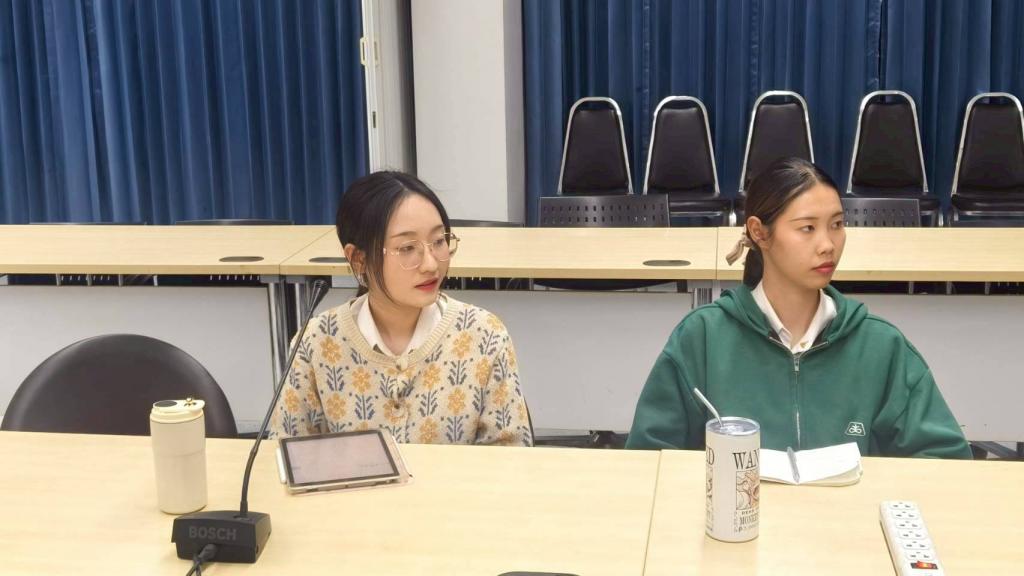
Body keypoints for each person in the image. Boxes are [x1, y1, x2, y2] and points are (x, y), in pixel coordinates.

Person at [626, 157, 971, 458]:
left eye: (837, 225)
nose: (827, 245)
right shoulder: (702, 338)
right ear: (759, 233)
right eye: (807, 228)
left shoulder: (881, 346)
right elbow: (650, 458)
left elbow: (946, 458)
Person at [271, 171, 532, 446]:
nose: (431, 264)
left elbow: (511, 457)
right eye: (407, 248)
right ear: (358, 259)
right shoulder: (316, 342)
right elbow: (288, 452)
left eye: (439, 241)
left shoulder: (484, 335)